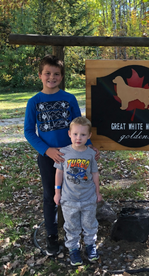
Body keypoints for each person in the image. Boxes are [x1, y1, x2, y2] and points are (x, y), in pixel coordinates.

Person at [24, 55, 99, 256]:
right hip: (48, 158)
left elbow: (81, 126)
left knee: (76, 193)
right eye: (47, 73)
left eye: (56, 74)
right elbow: (29, 131)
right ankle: (51, 237)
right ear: (40, 75)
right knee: (51, 197)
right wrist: (47, 150)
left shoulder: (69, 98)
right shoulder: (34, 102)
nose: (52, 77)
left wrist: (89, 145)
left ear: (62, 76)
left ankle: (78, 235)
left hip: (74, 157)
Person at [54, 116, 102, 266]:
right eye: (75, 134)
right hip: (69, 199)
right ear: (69, 134)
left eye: (82, 135)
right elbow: (59, 173)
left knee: (90, 223)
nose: (78, 138)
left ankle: (90, 245)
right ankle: (73, 248)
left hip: (88, 197)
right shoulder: (63, 152)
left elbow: (95, 173)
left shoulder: (90, 154)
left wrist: (98, 192)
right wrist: (57, 192)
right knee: (71, 225)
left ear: (89, 136)